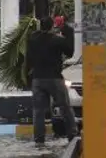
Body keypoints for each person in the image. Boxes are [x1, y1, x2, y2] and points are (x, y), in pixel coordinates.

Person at [25, 16, 79, 145]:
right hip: (54, 78)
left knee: (38, 111)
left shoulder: (33, 40)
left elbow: (29, 59)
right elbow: (70, 51)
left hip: (37, 79)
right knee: (65, 106)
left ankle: (39, 139)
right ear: (51, 27)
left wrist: (29, 78)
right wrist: (66, 29)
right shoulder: (56, 40)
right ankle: (72, 134)